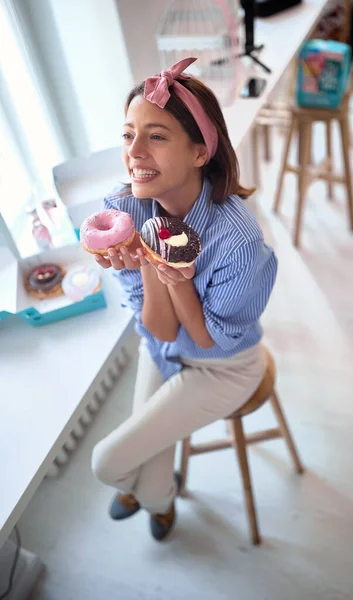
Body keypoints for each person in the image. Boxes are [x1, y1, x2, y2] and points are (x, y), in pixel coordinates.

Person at [91, 57, 278, 541]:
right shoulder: (124, 209)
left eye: (156, 135)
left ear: (199, 152)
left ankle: (147, 495)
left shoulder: (238, 242)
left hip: (223, 365)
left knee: (106, 462)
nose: (134, 151)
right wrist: (148, 267)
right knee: (152, 476)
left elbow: (203, 337)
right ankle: (160, 504)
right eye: (128, 134)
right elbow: (161, 331)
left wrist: (171, 276)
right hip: (163, 346)